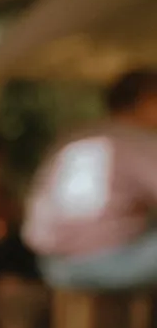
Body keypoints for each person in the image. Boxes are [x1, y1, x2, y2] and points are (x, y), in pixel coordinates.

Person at [23, 69, 157, 291]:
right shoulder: (136, 140)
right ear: (146, 101)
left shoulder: (75, 137)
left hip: (53, 264)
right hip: (109, 262)